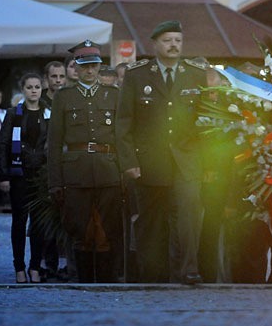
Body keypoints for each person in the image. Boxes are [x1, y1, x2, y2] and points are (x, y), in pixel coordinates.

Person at [116, 20, 208, 284]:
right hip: (149, 162)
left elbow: (205, 121)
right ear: (155, 44)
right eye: (167, 40)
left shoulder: (195, 73)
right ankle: (151, 273)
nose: (174, 45)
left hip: (187, 161)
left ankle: (189, 269)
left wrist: (206, 163)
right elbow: (124, 122)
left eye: (178, 40)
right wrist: (129, 161)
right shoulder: (137, 74)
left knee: (189, 217)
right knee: (150, 223)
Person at [47, 40, 123, 283]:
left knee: (107, 229)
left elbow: (122, 138)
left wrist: (124, 173)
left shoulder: (113, 95)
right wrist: (55, 182)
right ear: (76, 68)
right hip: (76, 173)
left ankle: (106, 283)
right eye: (85, 66)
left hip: (108, 170)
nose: (90, 71)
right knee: (80, 229)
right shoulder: (64, 97)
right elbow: (55, 142)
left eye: (94, 65)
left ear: (99, 67)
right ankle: (83, 281)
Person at [0, 73, 50, 283]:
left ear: (41, 89)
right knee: (19, 222)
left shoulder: (48, 114)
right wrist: (4, 175)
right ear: (23, 90)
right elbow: (3, 145)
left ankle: (35, 266)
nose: (34, 90)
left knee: (38, 224)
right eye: (29, 87)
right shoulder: (14, 114)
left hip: (41, 175)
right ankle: (19, 267)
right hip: (19, 173)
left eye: (37, 87)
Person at [39, 60, 67, 281]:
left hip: (67, 165)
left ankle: (66, 265)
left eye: (61, 76)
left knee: (67, 219)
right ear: (46, 79)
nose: (58, 80)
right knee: (46, 218)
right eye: (54, 76)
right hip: (42, 166)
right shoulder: (39, 103)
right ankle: (48, 264)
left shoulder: (68, 98)